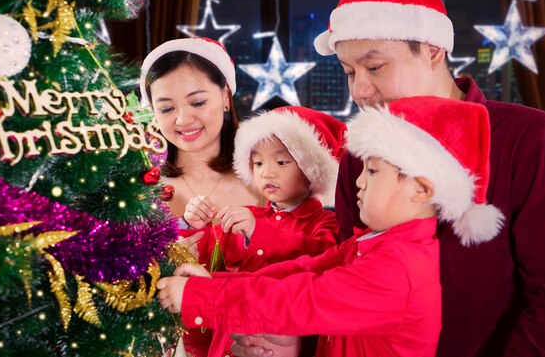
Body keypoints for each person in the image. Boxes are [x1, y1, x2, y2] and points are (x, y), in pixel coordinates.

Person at [231, 0, 545, 357]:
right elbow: (349, 281)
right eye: (350, 72)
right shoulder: (361, 155)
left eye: (375, 66)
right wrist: (299, 338)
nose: (361, 91)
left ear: (433, 49)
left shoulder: (532, 141)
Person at [155, 96, 504, 357]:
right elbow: (301, 272)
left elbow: (302, 299)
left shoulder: (398, 267)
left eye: (373, 171)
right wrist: (214, 282)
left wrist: (203, 297)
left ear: (422, 189)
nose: (359, 184)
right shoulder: (374, 244)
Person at [185, 106, 345, 356]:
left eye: (281, 162)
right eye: (257, 162)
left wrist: (258, 232)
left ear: (311, 169)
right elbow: (204, 258)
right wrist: (193, 224)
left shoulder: (327, 223)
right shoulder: (248, 214)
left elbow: (317, 259)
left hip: (282, 342)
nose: (267, 172)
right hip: (231, 338)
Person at [139, 37, 265, 223]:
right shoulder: (140, 190)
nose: (183, 120)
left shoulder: (265, 179)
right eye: (166, 109)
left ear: (225, 97)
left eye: (197, 103)